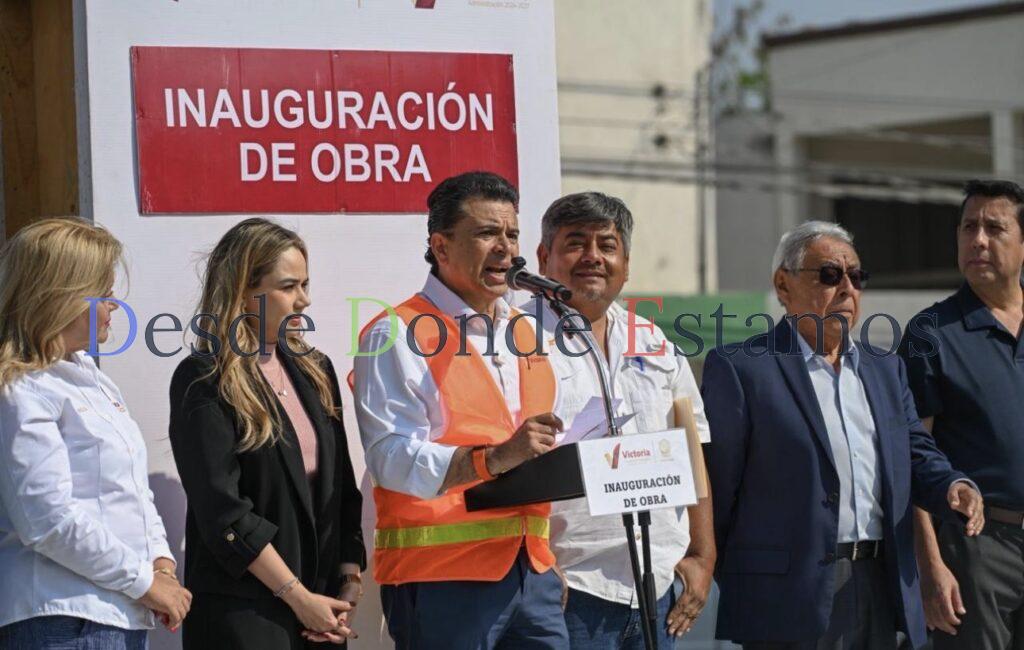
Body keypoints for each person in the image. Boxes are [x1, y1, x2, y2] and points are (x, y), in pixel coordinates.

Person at [702, 220, 985, 650]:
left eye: (856, 276)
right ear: (784, 285)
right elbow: (718, 488)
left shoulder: (885, 368)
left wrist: (952, 484)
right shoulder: (742, 368)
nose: (847, 288)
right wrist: (740, 574)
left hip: (879, 580)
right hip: (787, 594)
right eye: (830, 275)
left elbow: (913, 450)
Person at [352, 171, 569, 649]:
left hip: (532, 574)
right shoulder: (393, 333)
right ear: (441, 245)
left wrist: (546, 566)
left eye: (512, 234)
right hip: (442, 578)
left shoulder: (529, 332)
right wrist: (489, 459)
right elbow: (389, 458)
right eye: (487, 233)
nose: (505, 248)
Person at [522, 191, 714, 648]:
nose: (593, 257)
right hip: (568, 589)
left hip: (658, 589)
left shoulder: (656, 343)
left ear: (626, 264)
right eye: (575, 243)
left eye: (607, 245)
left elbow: (692, 448)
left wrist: (703, 555)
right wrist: (538, 567)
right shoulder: (517, 342)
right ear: (544, 257)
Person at [168, 218, 365, 649]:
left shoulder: (316, 369)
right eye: (289, 286)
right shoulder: (204, 379)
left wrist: (348, 577)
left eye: (305, 285)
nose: (304, 301)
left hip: (321, 611)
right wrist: (296, 597)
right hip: (246, 616)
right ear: (244, 292)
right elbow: (224, 514)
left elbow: (342, 488)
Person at [0, 218, 191, 649]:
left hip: (114, 614)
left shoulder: (91, 378)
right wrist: (145, 581)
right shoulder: (20, 386)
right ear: (60, 298)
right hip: (62, 617)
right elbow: (46, 520)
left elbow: (132, 492)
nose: (114, 308)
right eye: (103, 296)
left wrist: (161, 563)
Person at [898, 179, 1024, 650]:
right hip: (976, 549)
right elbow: (910, 453)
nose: (979, 240)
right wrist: (930, 566)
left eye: (995, 227)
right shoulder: (931, 333)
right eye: (969, 227)